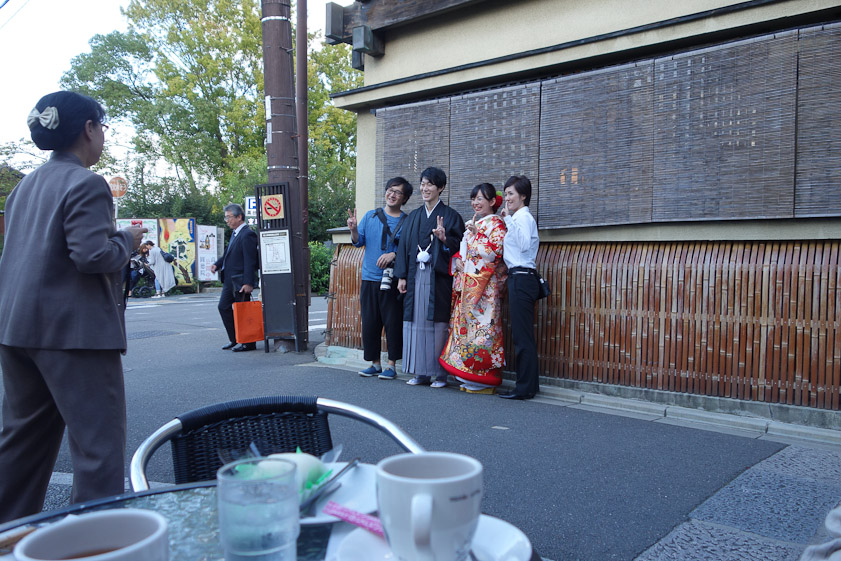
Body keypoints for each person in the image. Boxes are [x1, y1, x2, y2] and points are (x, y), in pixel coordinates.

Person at [0, 91, 147, 523]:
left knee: (22, 440)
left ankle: (7, 531)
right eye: (101, 127)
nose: (102, 136)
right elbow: (92, 256)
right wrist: (127, 240)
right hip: (73, 332)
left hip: (15, 328)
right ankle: (91, 540)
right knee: (97, 449)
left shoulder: (25, 185)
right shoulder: (85, 183)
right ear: (88, 129)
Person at [394, 167, 465, 388]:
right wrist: (402, 276)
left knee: (437, 324)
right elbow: (404, 246)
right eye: (423, 184)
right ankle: (420, 372)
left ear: (440, 188)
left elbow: (460, 248)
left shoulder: (451, 216)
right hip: (415, 276)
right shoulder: (413, 216)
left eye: (430, 184)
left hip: (438, 278)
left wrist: (445, 240)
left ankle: (440, 374)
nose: (425, 188)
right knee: (415, 323)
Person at [439, 183, 508, 394]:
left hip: (486, 290)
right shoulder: (473, 223)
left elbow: (497, 253)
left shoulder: (497, 225)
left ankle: (484, 378)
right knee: (465, 331)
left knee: (483, 331)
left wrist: (477, 235)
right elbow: (465, 252)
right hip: (468, 287)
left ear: (492, 202)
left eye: (480, 199)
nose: (475, 203)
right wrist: (458, 261)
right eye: (473, 199)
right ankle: (466, 374)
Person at [347, 177, 413, 380]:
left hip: (393, 279)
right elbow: (359, 243)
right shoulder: (370, 216)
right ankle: (375, 363)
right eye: (390, 190)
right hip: (369, 278)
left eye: (398, 192)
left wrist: (394, 255)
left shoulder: (407, 221)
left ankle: (391, 365)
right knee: (370, 321)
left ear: (404, 198)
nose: (392, 195)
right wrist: (353, 229)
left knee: (392, 322)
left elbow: (409, 249)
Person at [497, 175, 541, 400]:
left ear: (523, 196)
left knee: (522, 337)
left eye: (511, 194)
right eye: (505, 194)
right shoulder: (519, 218)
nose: (507, 199)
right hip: (520, 278)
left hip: (522, 278)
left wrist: (508, 221)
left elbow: (523, 246)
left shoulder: (523, 218)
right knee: (523, 335)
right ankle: (529, 386)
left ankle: (524, 388)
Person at [210, 203, 259, 352]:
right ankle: (235, 339)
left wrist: (249, 282)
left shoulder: (247, 234)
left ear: (239, 217)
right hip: (230, 280)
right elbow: (228, 253)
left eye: (229, 217)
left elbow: (250, 260)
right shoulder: (235, 233)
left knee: (243, 311)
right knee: (223, 307)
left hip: (240, 280)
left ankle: (248, 342)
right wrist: (217, 264)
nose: (227, 220)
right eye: (226, 218)